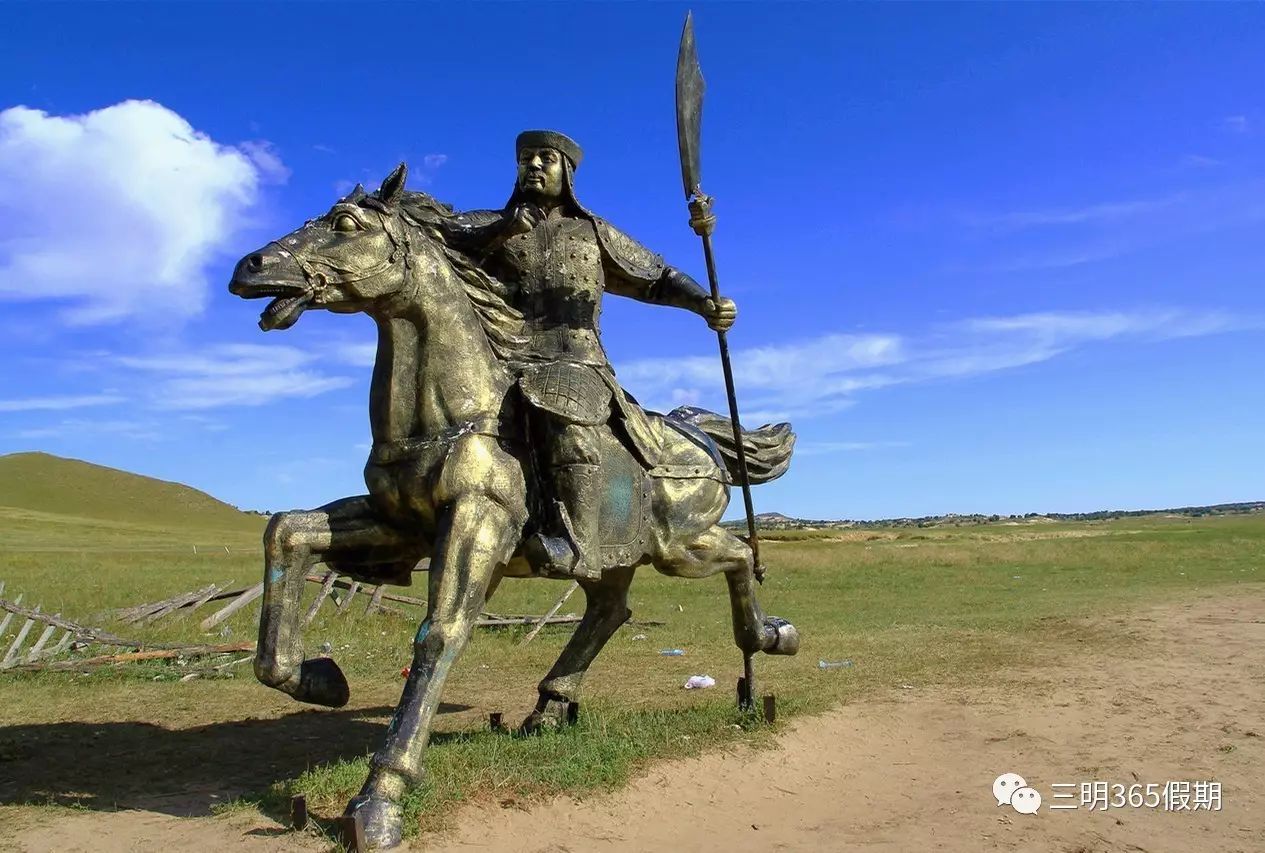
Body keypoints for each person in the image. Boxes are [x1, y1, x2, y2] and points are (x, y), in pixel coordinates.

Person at [439, 130, 735, 580]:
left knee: (566, 411)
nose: (534, 166)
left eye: (546, 158)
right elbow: (437, 241)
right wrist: (502, 230)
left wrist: (704, 304)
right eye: (525, 159)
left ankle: (577, 541)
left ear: (568, 172)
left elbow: (655, 277)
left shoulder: (592, 233)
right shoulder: (490, 225)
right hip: (501, 357)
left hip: (574, 361)